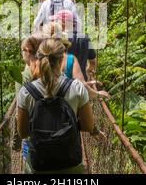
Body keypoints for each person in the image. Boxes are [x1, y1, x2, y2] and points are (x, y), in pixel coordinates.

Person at [17, 38, 105, 174]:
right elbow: (88, 126)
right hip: (70, 163)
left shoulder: (26, 91)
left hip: (39, 164)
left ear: (39, 59)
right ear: (61, 60)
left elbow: (23, 132)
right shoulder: (77, 88)